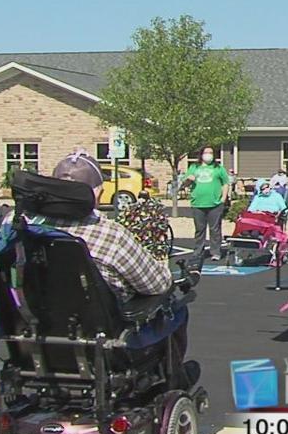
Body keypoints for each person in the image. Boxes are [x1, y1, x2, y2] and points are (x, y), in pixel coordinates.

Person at [35, 151, 197, 386]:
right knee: (175, 308)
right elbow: (158, 285)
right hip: (103, 343)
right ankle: (175, 379)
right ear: (98, 194)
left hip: (33, 336)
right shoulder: (109, 235)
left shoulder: (19, 225)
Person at [181, 146, 231, 261]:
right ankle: (198, 252)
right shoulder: (194, 167)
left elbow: (225, 183)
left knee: (215, 229)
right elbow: (185, 184)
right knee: (200, 230)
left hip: (215, 204)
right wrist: (188, 179)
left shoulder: (218, 168)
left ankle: (216, 252)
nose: (209, 155)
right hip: (198, 203)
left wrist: (223, 198)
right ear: (201, 154)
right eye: (206, 152)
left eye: (211, 153)